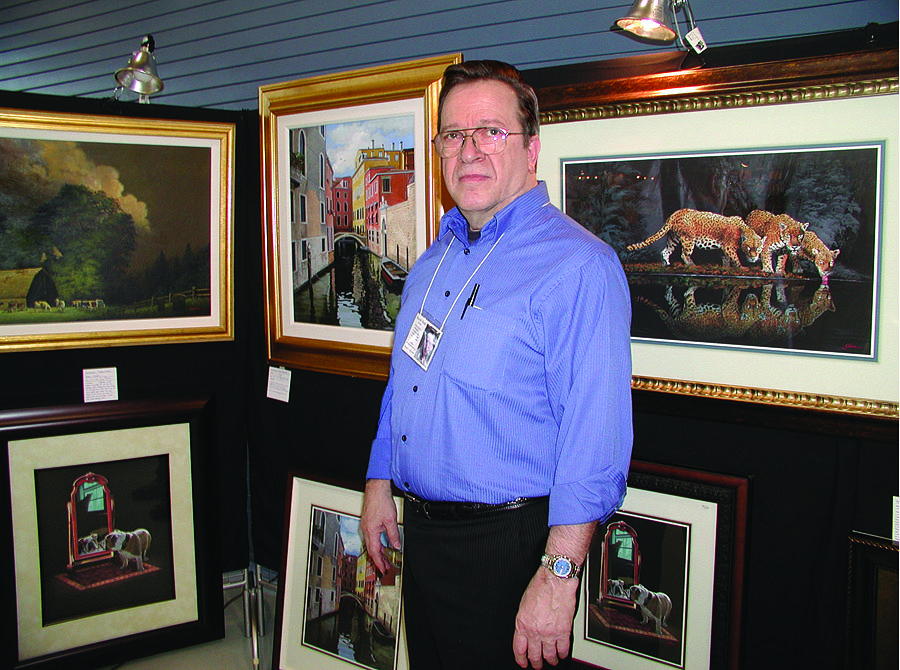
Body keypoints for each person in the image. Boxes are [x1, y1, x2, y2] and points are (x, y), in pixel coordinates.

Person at [360, 60, 633, 670]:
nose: (469, 150)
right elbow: (404, 382)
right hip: (423, 536)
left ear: (531, 149)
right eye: (454, 135)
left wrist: (560, 575)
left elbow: (596, 438)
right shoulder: (432, 265)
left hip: (511, 545)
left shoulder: (579, 267)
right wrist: (380, 482)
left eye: (491, 131)